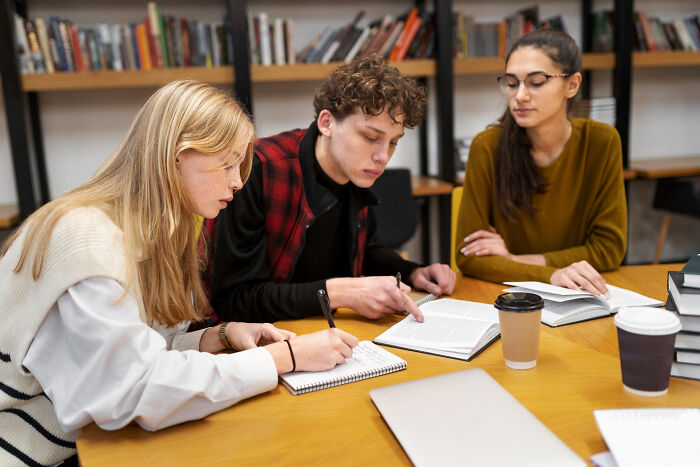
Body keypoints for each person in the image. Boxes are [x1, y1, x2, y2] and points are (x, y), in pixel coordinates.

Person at [0, 80, 359, 467]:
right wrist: (282, 358)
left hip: (89, 440)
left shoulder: (158, 230)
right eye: (226, 163)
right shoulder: (88, 238)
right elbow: (135, 391)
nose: (239, 181)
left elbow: (138, 351)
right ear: (174, 158)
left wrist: (217, 336)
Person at [206, 55, 456, 324]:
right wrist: (340, 292)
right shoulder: (258, 170)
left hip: (328, 330)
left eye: (393, 142)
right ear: (327, 123)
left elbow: (365, 249)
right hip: (259, 339)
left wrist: (412, 271)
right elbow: (235, 301)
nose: (383, 156)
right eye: (370, 137)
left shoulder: (358, 171)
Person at [456, 30, 626, 296]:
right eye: (512, 83)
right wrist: (552, 274)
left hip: (580, 296)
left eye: (536, 82)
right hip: (506, 298)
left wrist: (513, 259)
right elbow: (468, 257)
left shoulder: (602, 142)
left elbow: (609, 250)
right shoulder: (487, 146)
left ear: (572, 85)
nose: (520, 96)